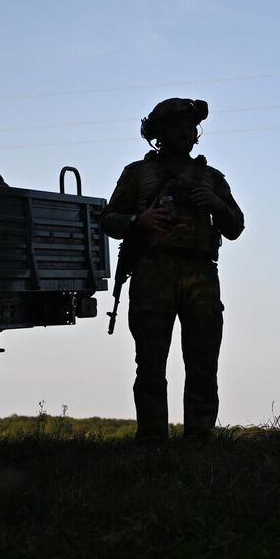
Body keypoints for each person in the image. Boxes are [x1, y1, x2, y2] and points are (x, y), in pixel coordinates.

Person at [102, 98, 245, 441]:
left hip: (200, 274)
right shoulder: (137, 174)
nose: (184, 133)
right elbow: (108, 219)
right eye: (176, 127)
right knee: (150, 365)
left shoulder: (211, 178)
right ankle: (152, 442)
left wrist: (216, 204)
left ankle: (199, 440)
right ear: (159, 133)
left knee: (203, 364)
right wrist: (141, 220)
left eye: (189, 127)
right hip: (153, 272)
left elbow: (236, 226)